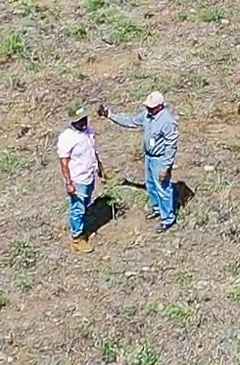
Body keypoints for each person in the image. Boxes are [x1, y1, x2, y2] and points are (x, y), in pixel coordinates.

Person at [98, 92, 180, 233]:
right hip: (149, 157)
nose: (148, 109)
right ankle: (157, 209)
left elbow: (171, 146)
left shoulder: (167, 121)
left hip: (160, 159)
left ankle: (168, 219)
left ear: (160, 106)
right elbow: (131, 121)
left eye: (152, 107)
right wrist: (110, 115)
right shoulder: (147, 116)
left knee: (163, 188)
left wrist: (165, 167)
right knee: (151, 184)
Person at [56, 107, 101, 253]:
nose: (83, 122)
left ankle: (81, 227)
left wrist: (100, 168)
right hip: (77, 179)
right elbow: (63, 162)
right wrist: (69, 183)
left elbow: (93, 151)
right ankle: (77, 238)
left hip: (89, 175)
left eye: (84, 119)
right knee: (78, 208)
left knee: (85, 204)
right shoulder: (67, 137)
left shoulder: (89, 132)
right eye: (79, 120)